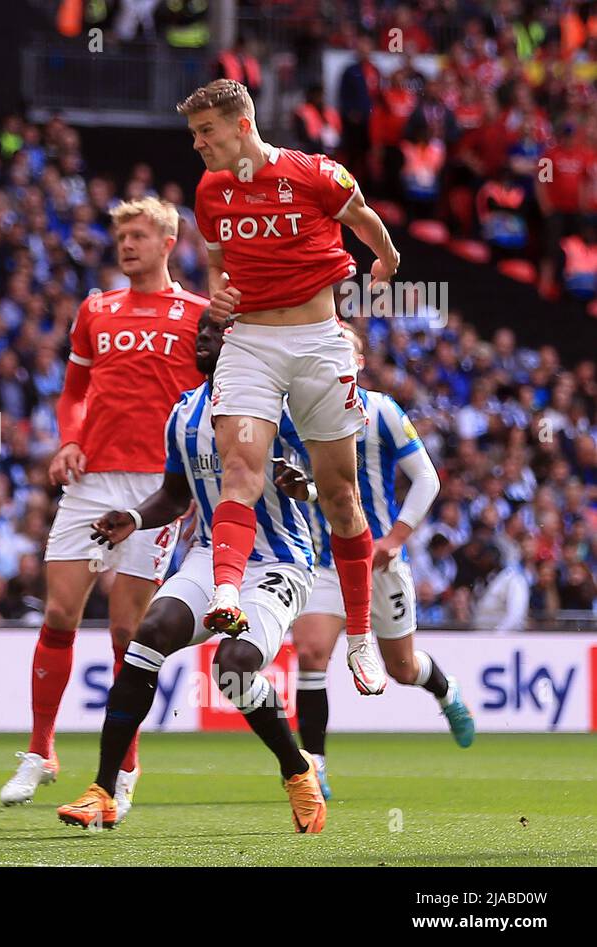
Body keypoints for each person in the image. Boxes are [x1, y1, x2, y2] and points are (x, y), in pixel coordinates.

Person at [55, 310, 326, 833]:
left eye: (214, 331)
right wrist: (132, 519)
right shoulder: (182, 414)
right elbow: (175, 496)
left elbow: (326, 479)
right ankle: (103, 791)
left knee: (233, 664)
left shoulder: (280, 406)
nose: (201, 339)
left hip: (277, 561)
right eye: (199, 331)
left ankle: (296, 770)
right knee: (148, 634)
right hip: (208, 554)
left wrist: (306, 487)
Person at [178, 78, 402, 699]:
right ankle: (226, 593)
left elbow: (365, 221)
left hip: (318, 343)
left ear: (241, 126)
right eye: (195, 135)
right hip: (249, 343)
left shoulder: (315, 174)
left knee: (340, 494)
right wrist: (220, 290)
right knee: (241, 470)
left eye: (207, 133)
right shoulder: (210, 191)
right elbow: (219, 257)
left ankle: (359, 638)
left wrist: (388, 260)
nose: (199, 146)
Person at [0, 197, 208, 815]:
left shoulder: (198, 314)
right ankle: (40, 751)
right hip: (91, 481)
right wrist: (68, 439)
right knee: (60, 612)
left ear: (167, 242)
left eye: (139, 235)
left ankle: (123, 766)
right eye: (121, 236)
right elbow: (73, 393)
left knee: (126, 630)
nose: (127, 246)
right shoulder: (95, 310)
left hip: (156, 488)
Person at [288, 326, 474, 801]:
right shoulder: (296, 414)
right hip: (325, 562)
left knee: (402, 668)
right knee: (310, 655)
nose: (335, 360)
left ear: (360, 360)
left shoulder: (383, 410)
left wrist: (395, 537)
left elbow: (427, 479)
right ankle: (314, 766)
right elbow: (316, 489)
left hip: (381, 562)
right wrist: (299, 489)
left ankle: (445, 689)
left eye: (344, 351)